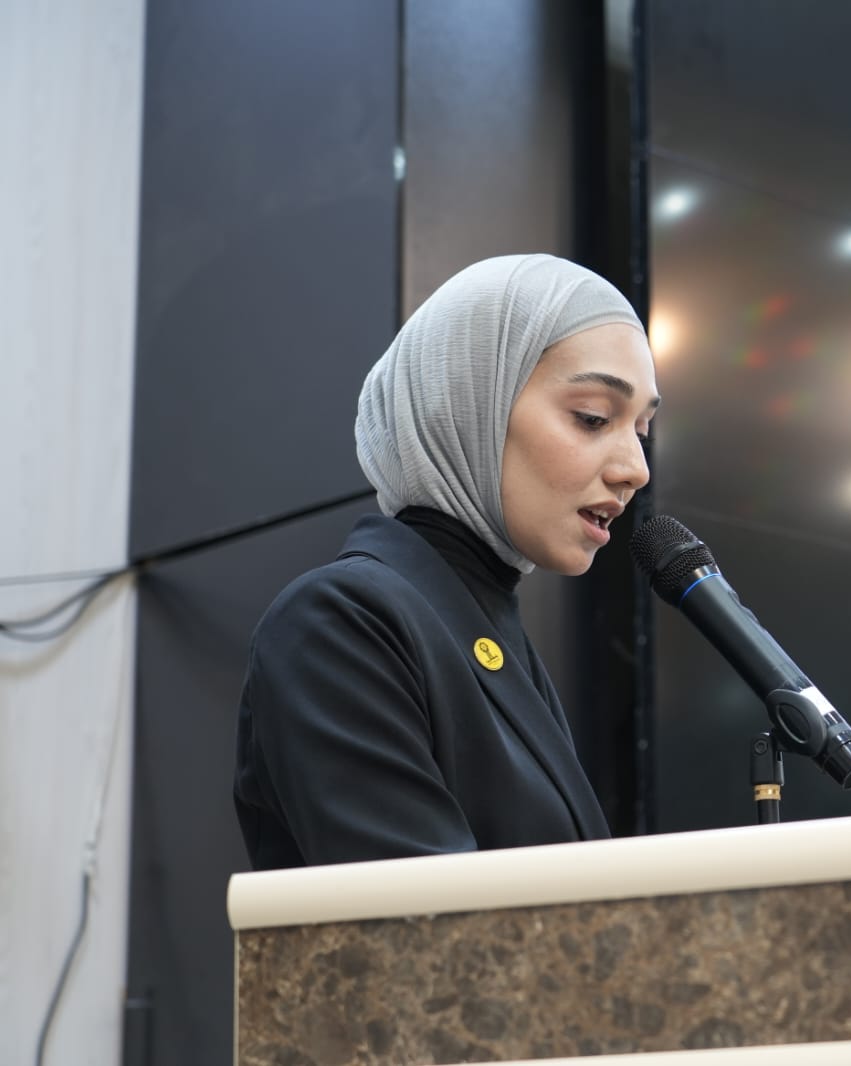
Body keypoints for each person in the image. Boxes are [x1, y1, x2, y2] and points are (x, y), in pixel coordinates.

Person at [233, 254, 658, 869]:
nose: (635, 470)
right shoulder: (340, 621)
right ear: (468, 402)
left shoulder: (491, 634)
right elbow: (426, 918)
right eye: (592, 418)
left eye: (641, 430)